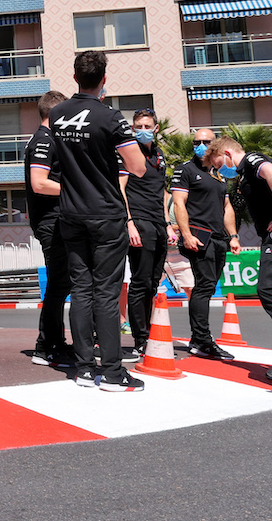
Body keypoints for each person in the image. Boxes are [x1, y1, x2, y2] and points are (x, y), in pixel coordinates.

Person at [48, 51, 146, 392]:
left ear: (75, 77)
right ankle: (114, 374)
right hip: (105, 214)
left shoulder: (57, 114)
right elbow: (137, 167)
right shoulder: (111, 116)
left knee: (81, 290)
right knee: (106, 293)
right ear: (104, 79)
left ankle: (85, 369)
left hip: (71, 213)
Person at [206, 137, 272, 386]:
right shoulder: (244, 172)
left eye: (219, 163)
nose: (221, 169)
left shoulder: (252, 160)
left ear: (227, 152)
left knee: (268, 290)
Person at [169, 128, 240, 360]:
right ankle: (200, 340)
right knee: (203, 286)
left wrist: (233, 236)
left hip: (220, 238)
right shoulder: (185, 170)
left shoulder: (219, 173)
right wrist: (187, 235)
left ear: (216, 145)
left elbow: (226, 207)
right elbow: (179, 204)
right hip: (200, 237)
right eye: (196, 142)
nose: (200, 145)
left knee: (208, 287)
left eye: (205, 141)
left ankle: (201, 339)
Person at [24, 90, 75, 367]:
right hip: (50, 220)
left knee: (62, 283)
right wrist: (76, 190)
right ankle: (46, 346)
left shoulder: (48, 139)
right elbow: (39, 183)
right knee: (59, 284)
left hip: (55, 218)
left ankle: (56, 342)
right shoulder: (44, 140)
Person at [118, 108, 174, 360]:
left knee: (152, 281)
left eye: (146, 126)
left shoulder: (159, 156)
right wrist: (129, 223)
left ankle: (149, 332)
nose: (142, 130)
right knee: (140, 282)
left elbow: (162, 193)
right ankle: (140, 339)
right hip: (139, 222)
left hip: (158, 225)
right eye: (137, 126)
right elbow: (120, 190)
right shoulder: (128, 154)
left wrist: (168, 224)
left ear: (156, 128)